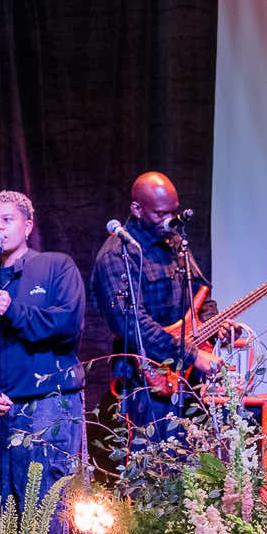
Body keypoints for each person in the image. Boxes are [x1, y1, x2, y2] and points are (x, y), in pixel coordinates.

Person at [0, 190, 84, 531]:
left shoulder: (55, 266)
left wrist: (14, 309)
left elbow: (67, 325)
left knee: (45, 517)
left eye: (7, 220)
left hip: (48, 408)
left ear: (27, 226)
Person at [91, 170, 218, 446]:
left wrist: (214, 322)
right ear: (137, 209)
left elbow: (200, 293)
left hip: (187, 379)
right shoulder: (117, 255)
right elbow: (133, 325)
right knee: (152, 474)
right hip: (145, 383)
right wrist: (190, 354)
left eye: (173, 211)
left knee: (195, 473)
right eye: (161, 214)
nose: (169, 220)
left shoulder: (173, 242)